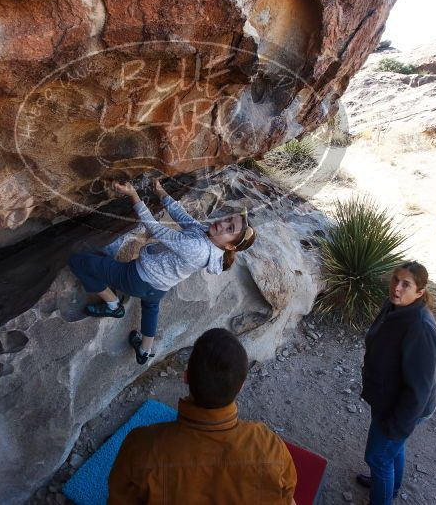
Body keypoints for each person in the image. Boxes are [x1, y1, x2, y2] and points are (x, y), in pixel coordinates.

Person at [68, 179, 256, 365]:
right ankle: (144, 351)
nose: (223, 223)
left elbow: (158, 230)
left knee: (78, 262)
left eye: (230, 228)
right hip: (159, 287)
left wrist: (134, 196)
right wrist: (161, 192)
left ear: (230, 246)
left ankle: (113, 305)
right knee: (150, 309)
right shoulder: (208, 236)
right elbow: (183, 217)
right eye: (228, 219)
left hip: (137, 278)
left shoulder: (199, 248)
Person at [108, 328, 297, 504]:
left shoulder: (142, 446)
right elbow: (287, 497)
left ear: (186, 377)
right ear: (241, 387)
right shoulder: (269, 447)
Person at [357, 261, 436, 505]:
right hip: (386, 398)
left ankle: (382, 491)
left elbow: (419, 389)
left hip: (402, 407)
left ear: (420, 292)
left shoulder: (421, 328)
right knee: (391, 451)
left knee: (378, 458)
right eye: (396, 279)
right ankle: (388, 486)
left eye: (406, 284)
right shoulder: (395, 306)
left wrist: (398, 426)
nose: (397, 288)